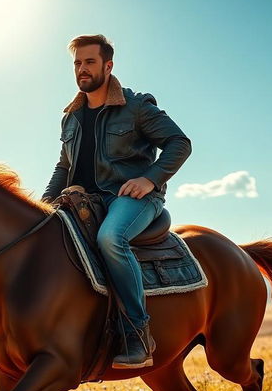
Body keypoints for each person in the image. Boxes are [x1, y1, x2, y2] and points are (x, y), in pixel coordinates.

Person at [43, 34, 192, 368]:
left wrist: (149, 179)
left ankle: (138, 333)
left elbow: (179, 143)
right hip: (83, 201)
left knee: (111, 238)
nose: (82, 69)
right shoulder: (70, 118)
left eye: (90, 62)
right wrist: (44, 204)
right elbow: (64, 167)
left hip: (133, 199)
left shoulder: (136, 106)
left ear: (108, 66)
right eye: (77, 63)